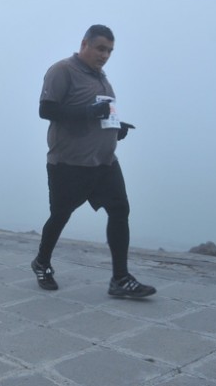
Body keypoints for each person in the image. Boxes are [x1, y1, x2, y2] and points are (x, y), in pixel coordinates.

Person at [32, 24, 156, 298]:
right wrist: (88, 112)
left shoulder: (102, 78)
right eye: (100, 48)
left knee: (120, 211)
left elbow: (100, 113)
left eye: (110, 51)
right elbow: (47, 109)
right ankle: (41, 263)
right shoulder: (62, 70)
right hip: (69, 162)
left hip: (105, 162)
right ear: (84, 44)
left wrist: (116, 127)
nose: (105, 55)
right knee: (60, 215)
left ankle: (120, 279)